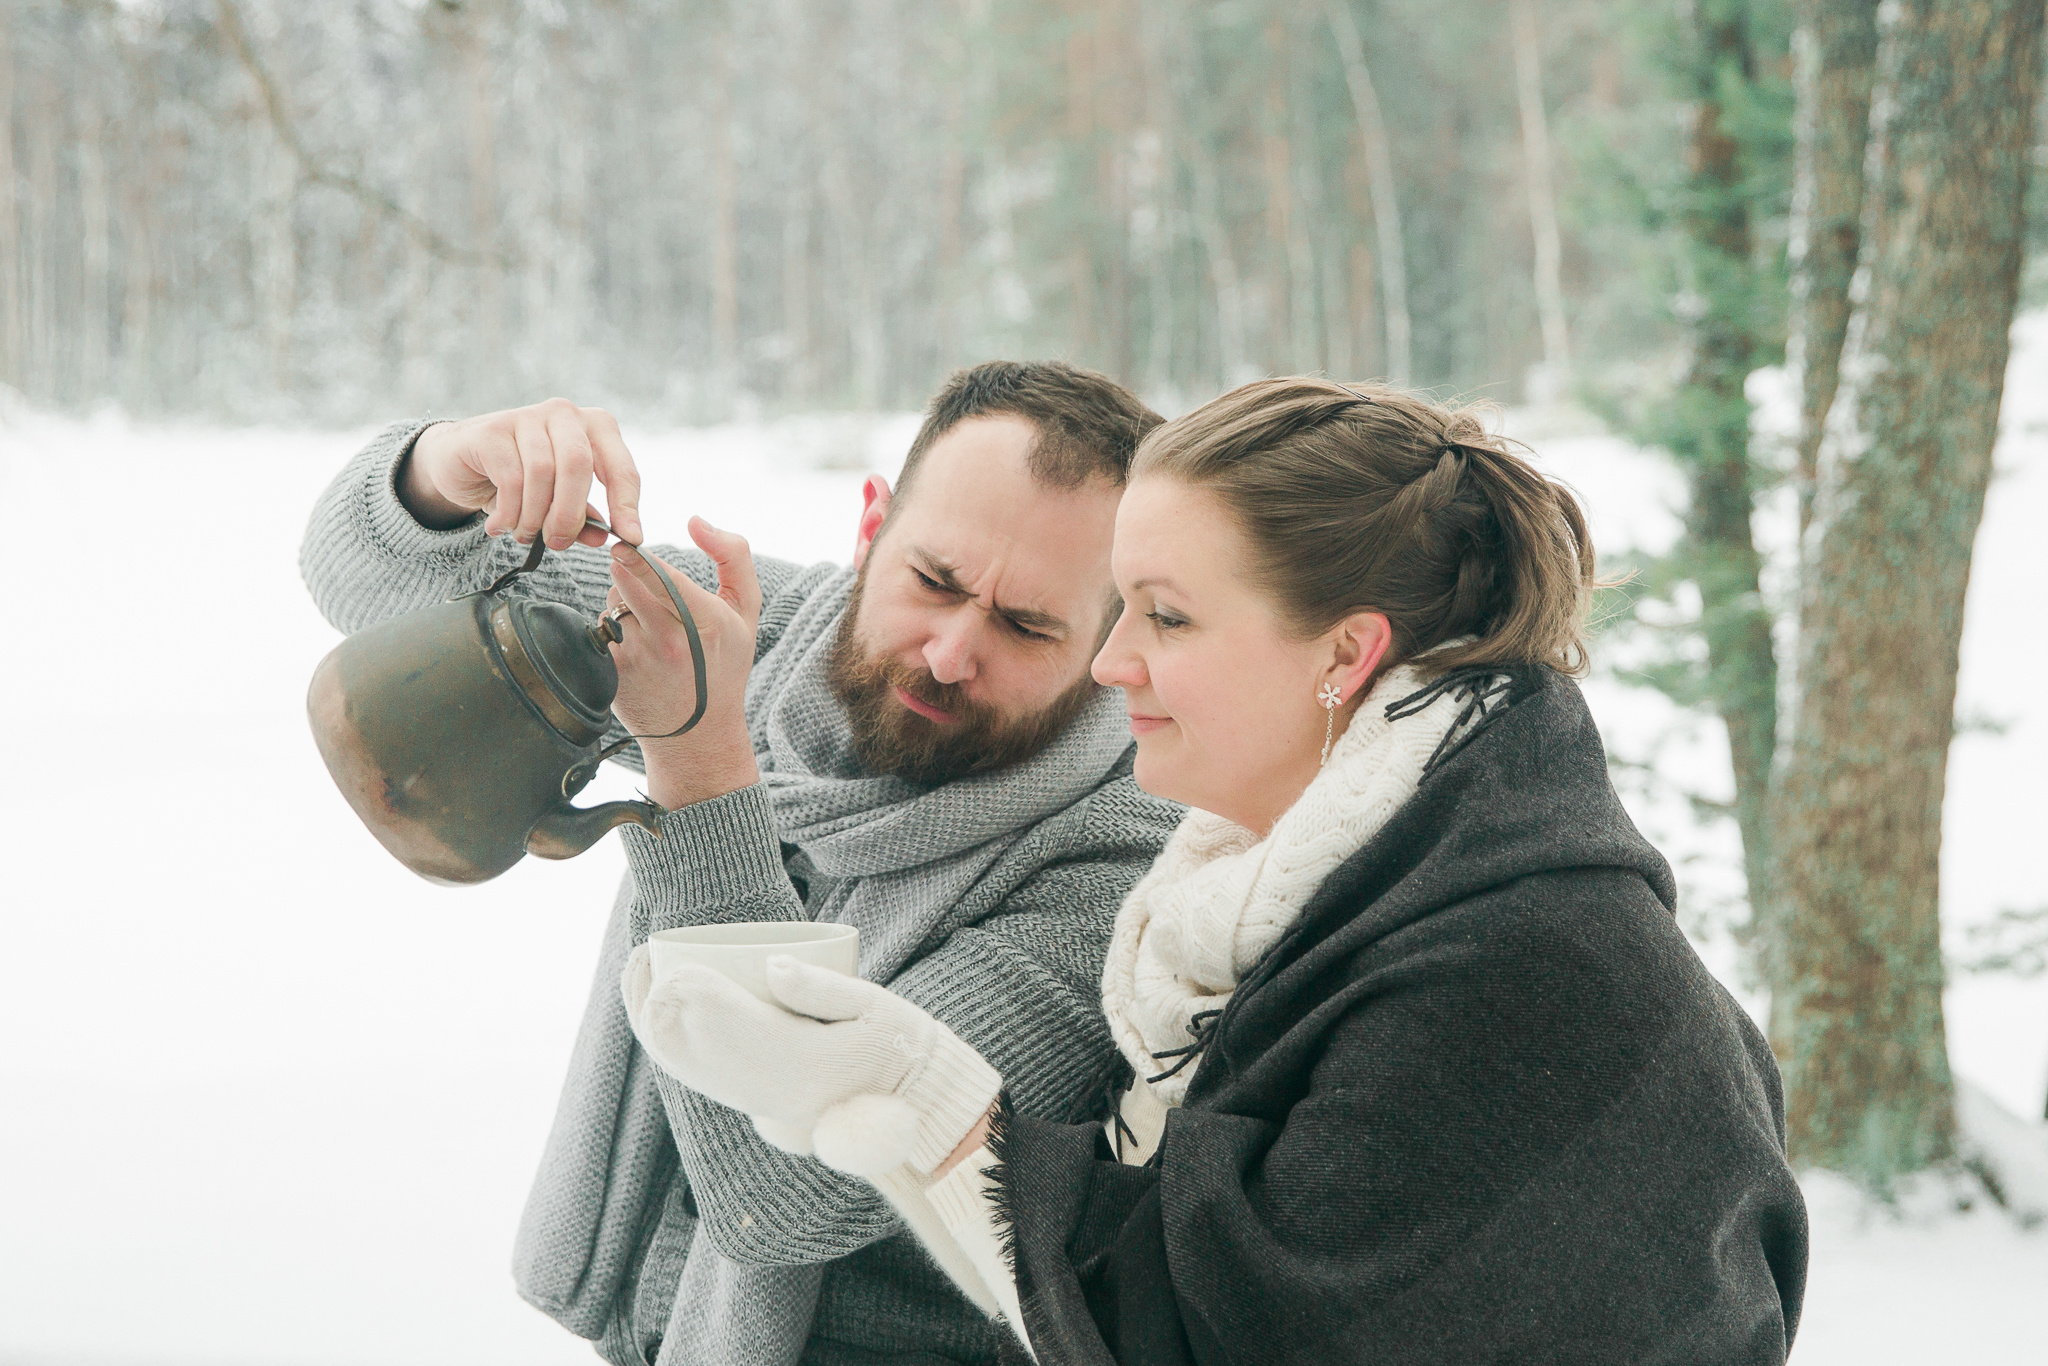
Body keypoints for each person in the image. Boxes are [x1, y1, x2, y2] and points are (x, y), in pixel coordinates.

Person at [619, 377, 1810, 1364]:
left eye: (1166, 617)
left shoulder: (1508, 975)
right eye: (1117, 609)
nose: (1111, 662)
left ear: (1344, 655)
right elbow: (1203, 1288)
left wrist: (936, 1110)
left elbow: (1216, 1339)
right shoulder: (1348, 897)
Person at [298, 362, 1186, 1366]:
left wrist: (700, 766)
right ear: (871, 527)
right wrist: (442, 473)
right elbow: (367, 586)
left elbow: (787, 1200)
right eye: (932, 581)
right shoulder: (769, 642)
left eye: (1026, 625)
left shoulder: (1121, 864)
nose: (947, 651)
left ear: (1113, 636)